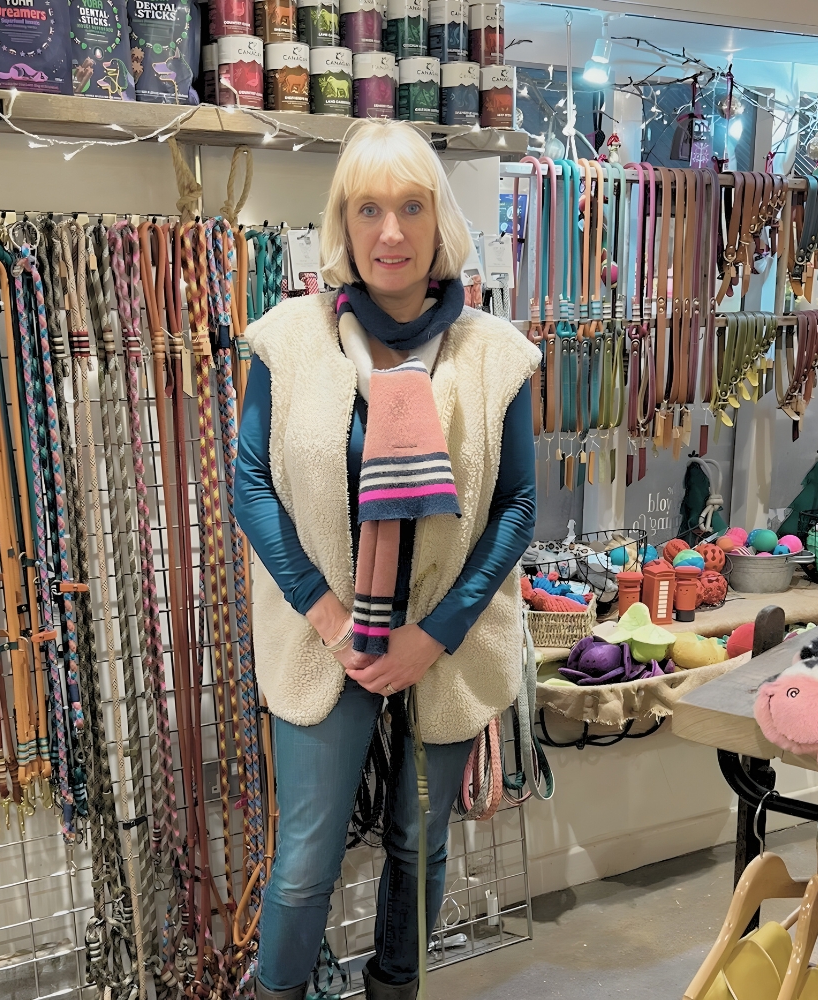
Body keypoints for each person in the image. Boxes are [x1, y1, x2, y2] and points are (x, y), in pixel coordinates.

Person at [236, 119, 541, 1000]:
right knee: (306, 858)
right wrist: (330, 617)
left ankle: (396, 989)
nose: (391, 232)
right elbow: (251, 484)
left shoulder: (494, 355)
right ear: (343, 221)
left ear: (440, 219)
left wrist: (433, 635)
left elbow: (518, 506)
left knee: (419, 843)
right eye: (368, 209)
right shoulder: (290, 340)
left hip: (443, 643)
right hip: (323, 640)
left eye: (411, 207)